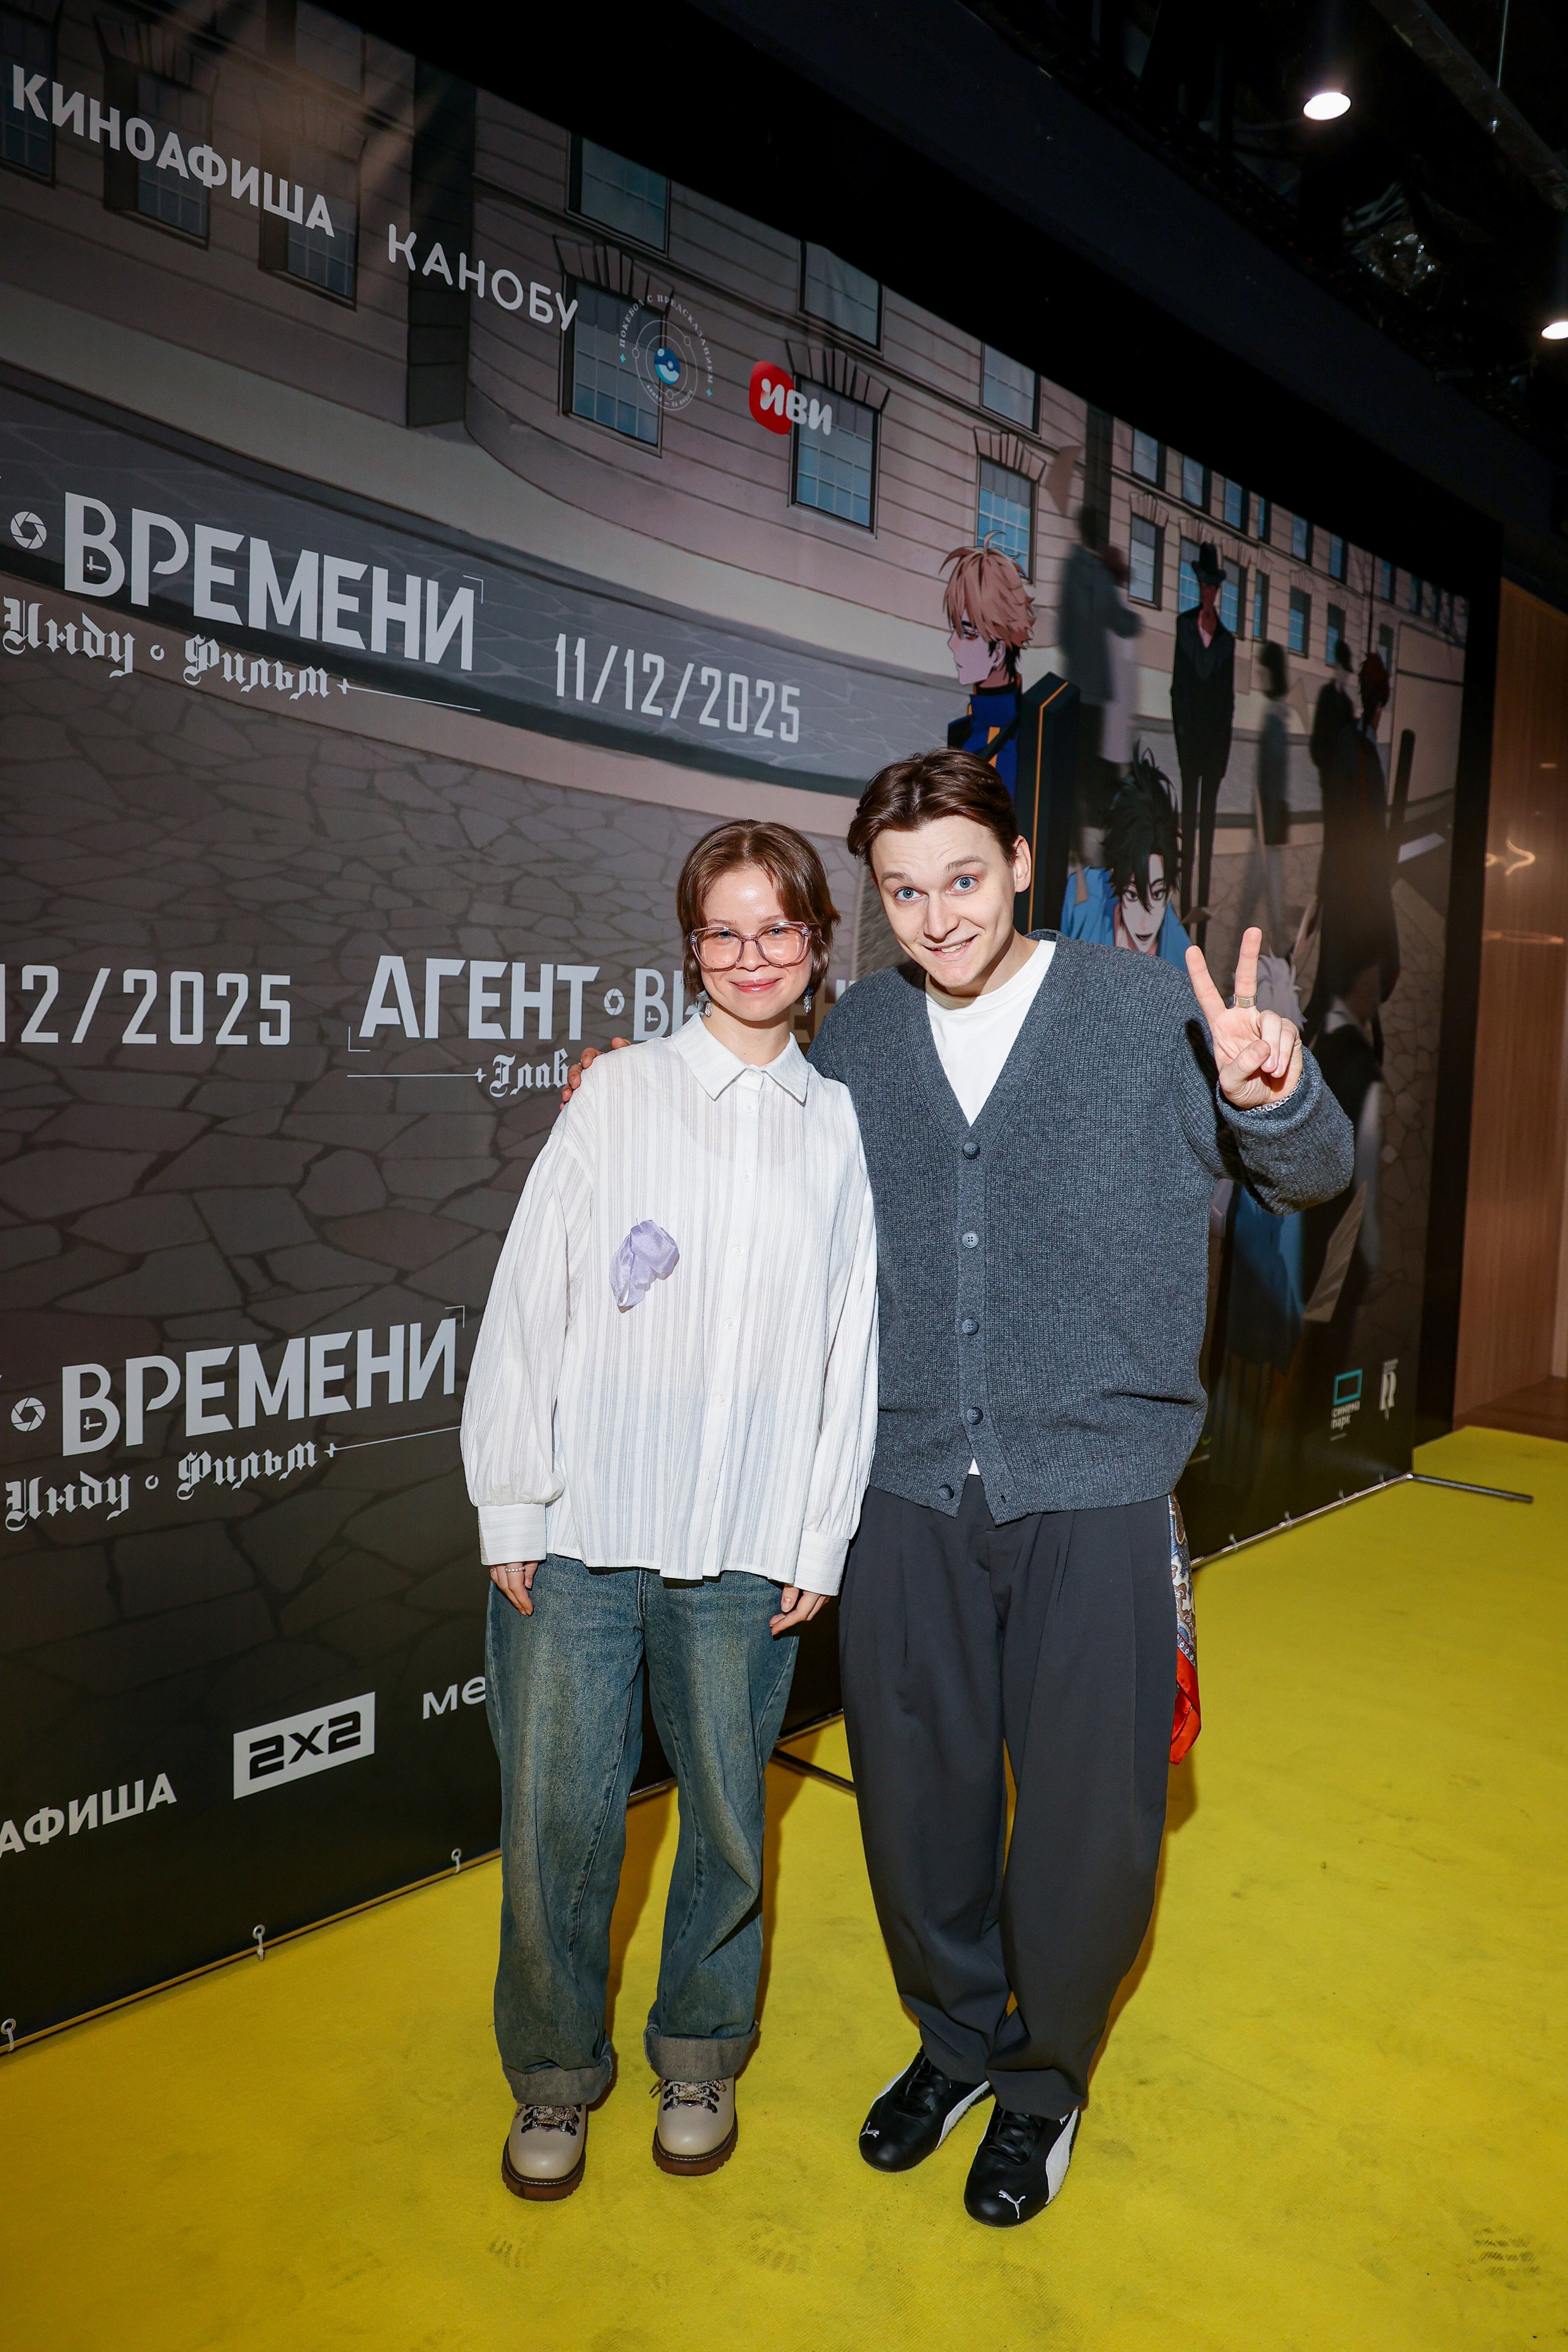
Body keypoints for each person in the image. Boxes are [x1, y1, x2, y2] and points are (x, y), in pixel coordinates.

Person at [805, 748, 1352, 2229]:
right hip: (903, 1483)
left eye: (962, 878)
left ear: (1021, 863)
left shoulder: (1135, 1014)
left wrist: (1278, 1089)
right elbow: (745, 1167)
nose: (936, 915)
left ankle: (1040, 2081)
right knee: (913, 1804)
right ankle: (950, 2040)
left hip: (1097, 1482)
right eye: (903, 891)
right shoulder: (854, 1037)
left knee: (1086, 1822)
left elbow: (1305, 1171)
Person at [463, 820, 877, 2201]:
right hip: (579, 1529)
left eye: (778, 928)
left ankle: (699, 2047)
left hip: (748, 1539)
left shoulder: (838, 1129)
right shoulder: (619, 1093)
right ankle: (554, 2077)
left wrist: (816, 1534)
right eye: (723, 931)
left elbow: (848, 1343)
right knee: (561, 1824)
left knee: (722, 1819)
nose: (751, 956)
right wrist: (510, 1504)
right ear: (688, 946)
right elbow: (530, 1299)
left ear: (818, 943)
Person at [1309, 651, 1400, 1038]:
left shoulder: (1357, 742)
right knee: (1342, 968)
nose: (1381, 714)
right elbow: (1360, 821)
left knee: (1350, 966)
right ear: (1376, 704)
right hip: (1353, 882)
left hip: (1350, 879)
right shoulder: (1357, 747)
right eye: (1381, 706)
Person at [1058, 507, 1143, 859]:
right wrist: (1136, 621)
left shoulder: (1071, 568)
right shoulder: (1099, 576)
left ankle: (1074, 844)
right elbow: (1122, 623)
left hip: (1073, 686)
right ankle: (1095, 853)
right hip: (1097, 695)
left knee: (1075, 772)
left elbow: (1063, 633)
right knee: (1096, 774)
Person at [1058, 744, 1191, 965]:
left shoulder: (1177, 955)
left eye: (1158, 894)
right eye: (1132, 895)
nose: (1144, 924)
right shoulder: (1084, 899)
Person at [1169, 541, 1236, 941]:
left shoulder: (1227, 641)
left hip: (1214, 748)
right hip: (1190, 743)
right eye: (1204, 584)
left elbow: (1228, 701)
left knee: (1208, 824)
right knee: (1189, 824)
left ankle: (1203, 906)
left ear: (1218, 590)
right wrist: (1180, 737)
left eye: (1214, 586)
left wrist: (1225, 753)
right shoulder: (1183, 626)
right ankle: (1186, 902)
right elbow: (1178, 689)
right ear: (1198, 585)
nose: (1208, 591)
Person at [941, 543, 1035, 798]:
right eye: (956, 630)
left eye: (968, 634)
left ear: (998, 653)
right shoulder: (966, 731)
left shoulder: (1021, 746)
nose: (953, 643)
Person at [1235, 639, 1291, 953]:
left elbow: (1272, 781)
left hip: (1267, 824)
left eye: (1263, 671)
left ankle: (1279, 952)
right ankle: (1281, 950)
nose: (1260, 676)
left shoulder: (1274, 721)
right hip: (1269, 822)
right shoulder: (1277, 716)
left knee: (1260, 895)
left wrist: (1264, 828)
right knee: (1265, 894)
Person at [1309, 635, 1355, 793]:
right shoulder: (1326, 695)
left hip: (1342, 778)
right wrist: (1323, 764)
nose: (1346, 675)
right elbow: (1318, 733)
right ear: (1337, 667)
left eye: (1347, 671)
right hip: (1328, 774)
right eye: (1344, 669)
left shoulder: (1348, 704)